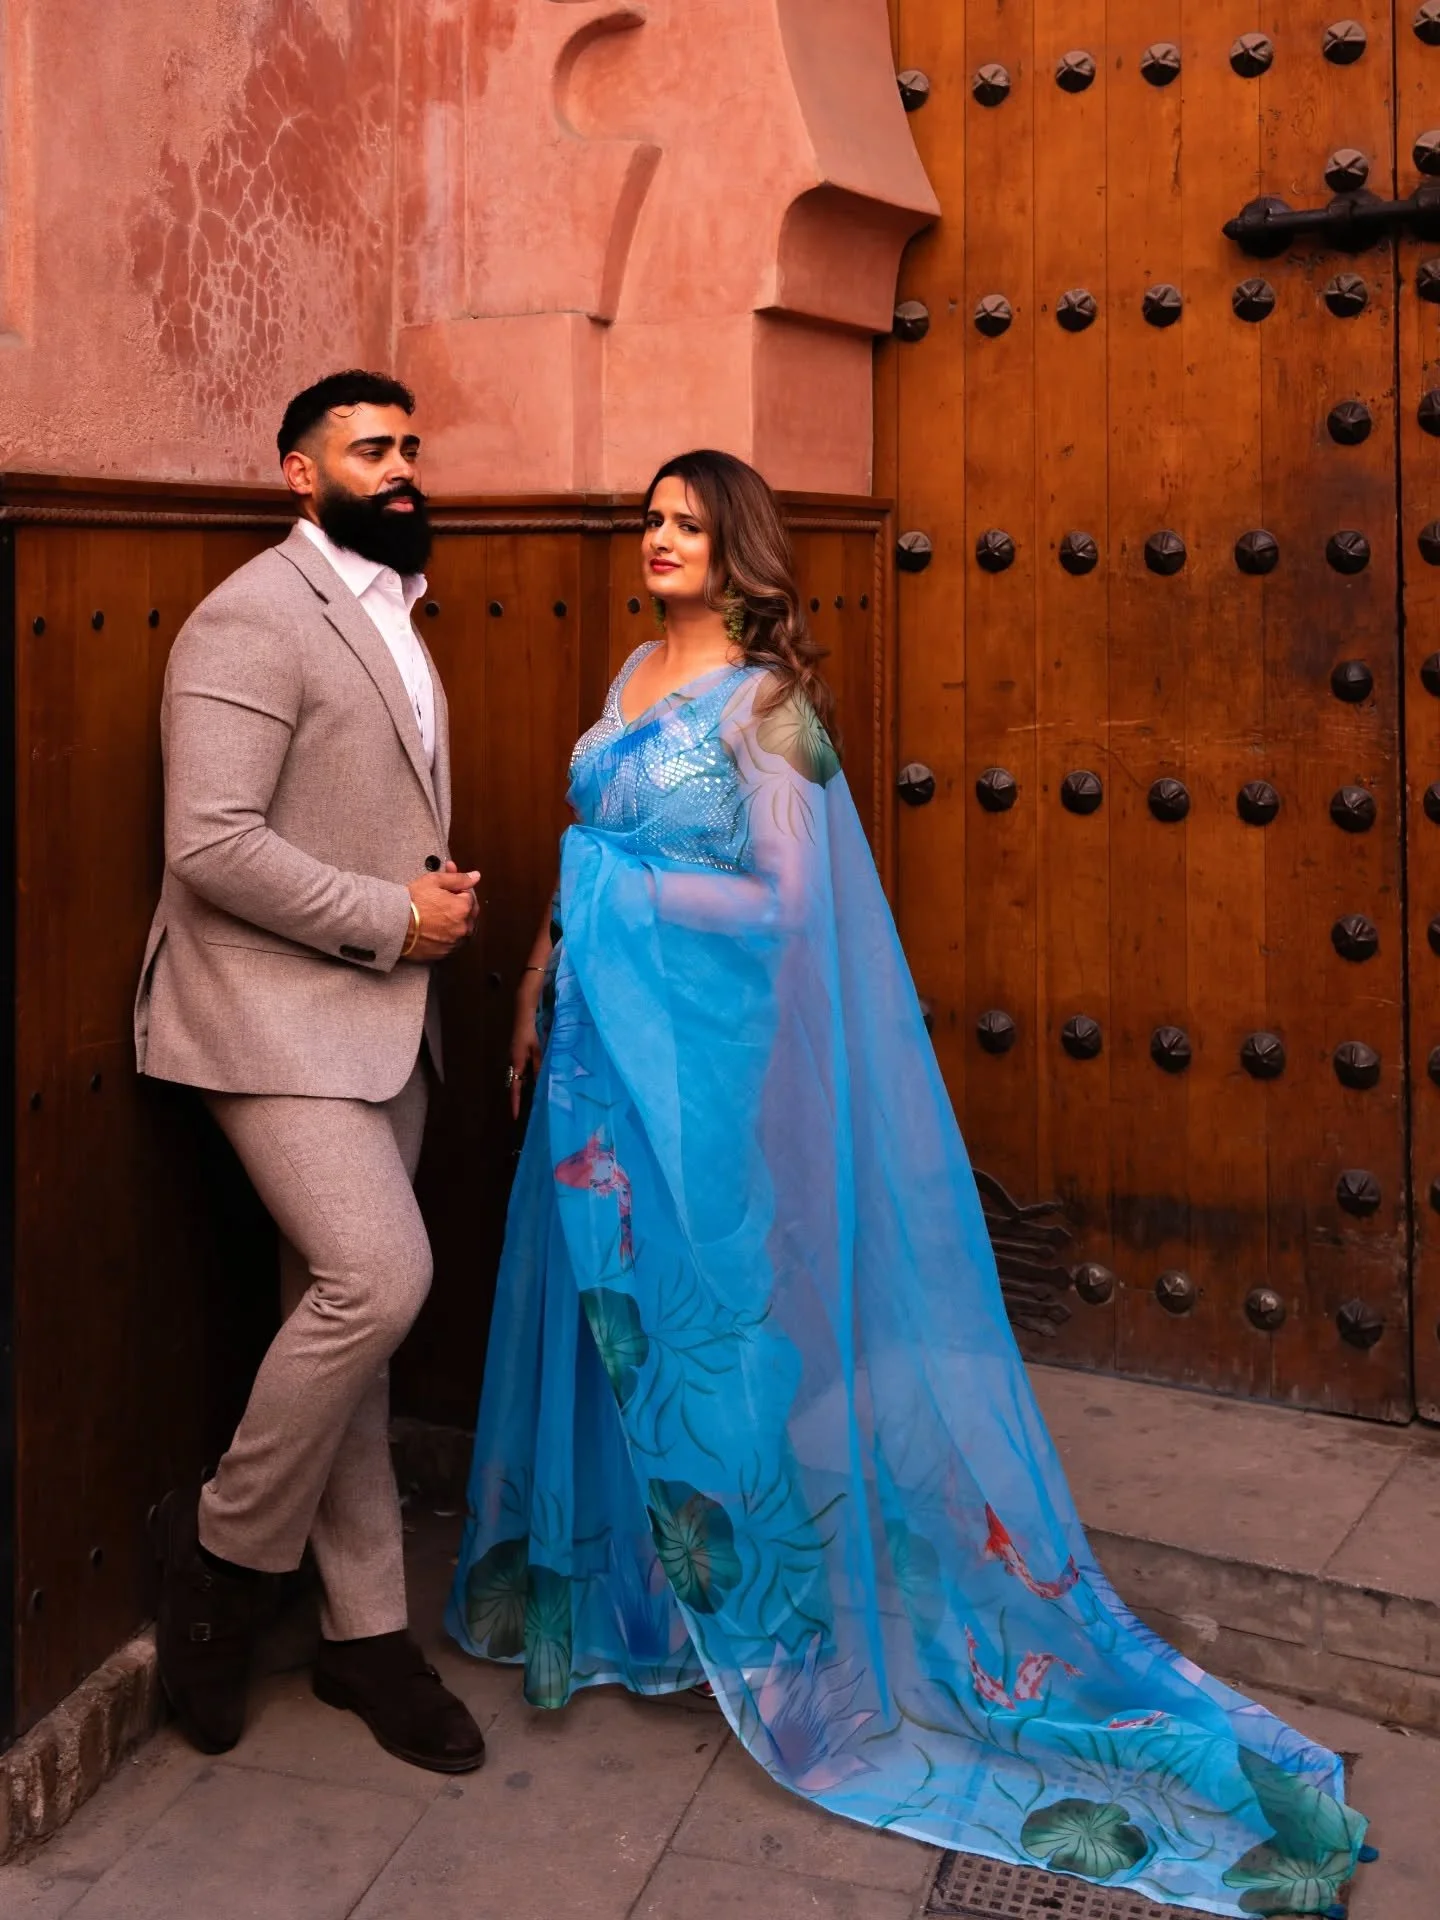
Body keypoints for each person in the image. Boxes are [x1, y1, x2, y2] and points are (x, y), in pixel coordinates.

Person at [449, 449, 1373, 1913]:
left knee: (713, 1334)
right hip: (591, 1069)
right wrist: (547, 968)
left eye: (692, 524)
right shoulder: (629, 664)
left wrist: (618, 895)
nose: (663, 541)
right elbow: (584, 861)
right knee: (598, 1323)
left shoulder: (767, 709)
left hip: (704, 1072)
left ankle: (759, 1621)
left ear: (742, 548)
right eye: (652, 520)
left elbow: (790, 905)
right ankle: (634, 1613)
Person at [136, 369, 486, 1774]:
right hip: (263, 1018)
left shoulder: (397, 608)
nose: (402, 465)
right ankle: (225, 1566)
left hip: (382, 1023)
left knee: (335, 1314)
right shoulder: (249, 616)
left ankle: (364, 1636)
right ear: (299, 472)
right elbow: (208, 844)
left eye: (411, 444)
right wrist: (392, 915)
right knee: (378, 1280)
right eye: (369, 448)